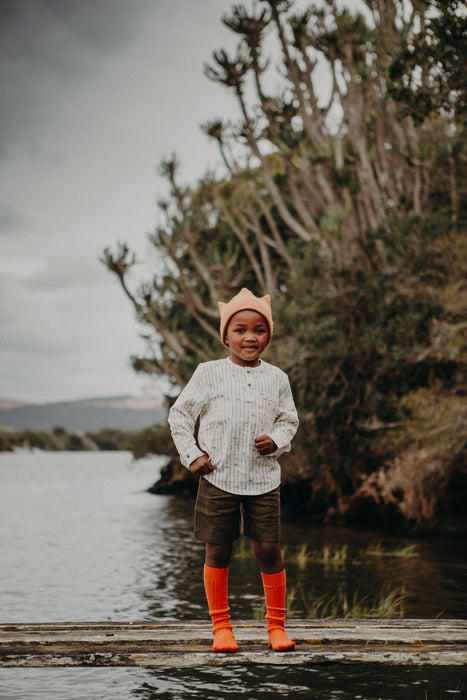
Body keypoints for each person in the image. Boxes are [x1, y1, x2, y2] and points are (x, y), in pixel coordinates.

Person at [168, 288, 299, 653]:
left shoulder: (277, 378)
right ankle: (221, 628)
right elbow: (180, 416)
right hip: (218, 479)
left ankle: (276, 627)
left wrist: (276, 439)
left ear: (268, 337)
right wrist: (192, 455)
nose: (250, 337)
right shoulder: (208, 373)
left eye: (259, 330)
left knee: (269, 550)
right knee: (218, 551)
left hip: (263, 480)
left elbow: (290, 420)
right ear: (226, 336)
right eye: (240, 330)